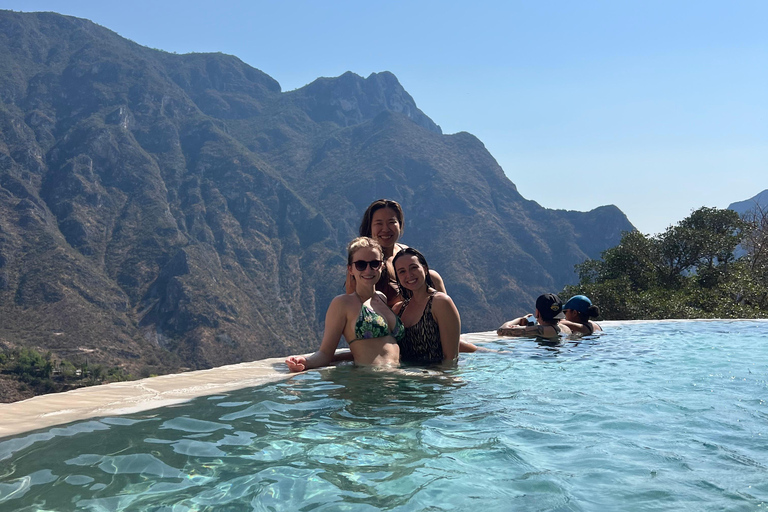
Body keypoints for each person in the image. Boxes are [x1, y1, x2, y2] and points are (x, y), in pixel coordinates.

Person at [285, 237, 402, 372]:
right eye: (361, 265)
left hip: (395, 379)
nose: (368, 270)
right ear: (350, 269)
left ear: (381, 266)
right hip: (371, 383)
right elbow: (325, 353)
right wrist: (306, 362)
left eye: (374, 263)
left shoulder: (382, 298)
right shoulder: (342, 304)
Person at [349, 199, 445, 307]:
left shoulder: (404, 252)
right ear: (370, 227)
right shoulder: (362, 264)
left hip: (420, 317)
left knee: (433, 277)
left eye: (391, 222)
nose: (385, 229)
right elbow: (354, 306)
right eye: (379, 223)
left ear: (400, 225)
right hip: (387, 321)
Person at [392, 248, 468, 364]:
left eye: (413, 267)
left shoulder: (441, 303)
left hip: (435, 378)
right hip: (407, 378)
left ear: (425, 269)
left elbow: (451, 359)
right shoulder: (398, 310)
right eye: (402, 271)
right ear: (398, 277)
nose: (409, 275)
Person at [497, 293, 571, 338]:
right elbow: (542, 325)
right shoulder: (566, 328)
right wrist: (531, 320)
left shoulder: (540, 331)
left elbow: (501, 330)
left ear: (537, 312)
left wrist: (520, 319)